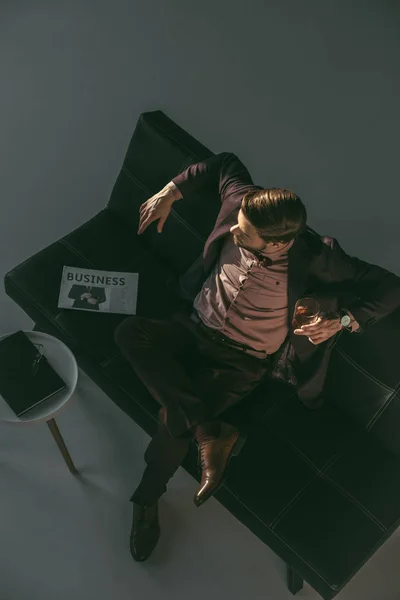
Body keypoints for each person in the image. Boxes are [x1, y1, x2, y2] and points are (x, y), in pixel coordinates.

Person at [113, 152, 400, 563]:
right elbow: (222, 163)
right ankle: (211, 429)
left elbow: (391, 288)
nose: (233, 230)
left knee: (170, 421)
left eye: (244, 234)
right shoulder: (241, 202)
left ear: (281, 242)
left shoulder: (318, 256)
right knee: (129, 332)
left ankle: (145, 502)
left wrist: (344, 321)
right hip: (192, 327)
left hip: (242, 362)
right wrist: (170, 191)